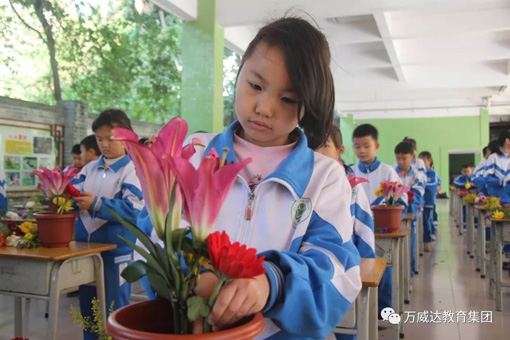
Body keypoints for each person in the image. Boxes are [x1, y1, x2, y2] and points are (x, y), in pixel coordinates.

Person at [139, 17, 361, 340]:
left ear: (308, 104)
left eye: (288, 99)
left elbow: (337, 270)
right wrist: (192, 280)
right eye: (255, 86)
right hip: (191, 330)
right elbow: (151, 235)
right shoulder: (196, 154)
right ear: (238, 71)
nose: (264, 107)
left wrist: (270, 283)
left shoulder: (324, 177)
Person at [71, 108, 144, 340]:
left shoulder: (133, 170)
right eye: (100, 139)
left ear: (127, 136)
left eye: (110, 138)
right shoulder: (88, 169)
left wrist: (97, 204)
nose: (104, 144)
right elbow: (69, 192)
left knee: (114, 312)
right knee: (89, 313)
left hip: (116, 255)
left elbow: (134, 210)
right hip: (85, 252)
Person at [350, 123, 407, 316]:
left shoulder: (387, 171)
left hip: (382, 230)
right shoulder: (350, 172)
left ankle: (384, 312)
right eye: (357, 146)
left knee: (384, 272)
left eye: (366, 145)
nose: (362, 150)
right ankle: (361, 315)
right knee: (358, 271)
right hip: (356, 232)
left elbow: (401, 198)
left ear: (377, 146)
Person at [315, 125, 375, 259]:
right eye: (312, 146)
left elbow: (364, 228)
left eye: (325, 145)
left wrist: (367, 263)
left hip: (346, 261)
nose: (317, 152)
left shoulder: (351, 185)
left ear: (340, 150)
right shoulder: (306, 185)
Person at [394, 141, 425, 275]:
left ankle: (409, 273)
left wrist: (402, 194)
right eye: (398, 158)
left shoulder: (418, 175)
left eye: (404, 158)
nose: (401, 161)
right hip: (394, 213)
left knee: (409, 244)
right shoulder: (392, 172)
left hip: (410, 214)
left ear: (412, 157)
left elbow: (417, 194)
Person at [419, 151, 438, 251]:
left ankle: (427, 240)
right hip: (419, 202)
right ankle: (421, 240)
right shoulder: (418, 172)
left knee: (427, 221)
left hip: (428, 201)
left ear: (429, 161)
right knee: (420, 222)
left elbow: (434, 185)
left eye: (424, 161)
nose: (422, 163)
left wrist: (422, 186)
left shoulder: (432, 173)